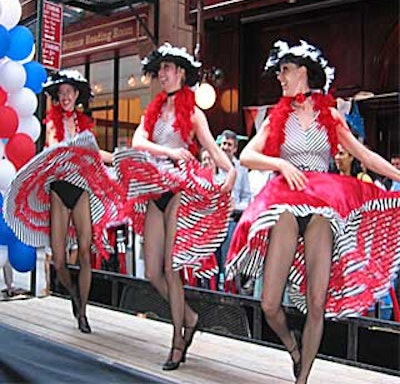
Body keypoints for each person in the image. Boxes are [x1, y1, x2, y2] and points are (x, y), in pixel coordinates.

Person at [225, 40, 400, 384]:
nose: (280, 77)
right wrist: (279, 163)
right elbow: (247, 156)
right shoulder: (277, 116)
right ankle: (292, 345)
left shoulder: (331, 116)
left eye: (285, 71)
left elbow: (365, 157)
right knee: (270, 304)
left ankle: (302, 379)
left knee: (316, 304)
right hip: (286, 202)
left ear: (303, 71)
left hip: (324, 206)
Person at [113, 42, 235, 370]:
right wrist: (169, 152)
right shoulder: (152, 109)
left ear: (181, 73)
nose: (162, 74)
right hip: (155, 187)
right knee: (152, 271)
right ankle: (190, 317)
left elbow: (210, 145)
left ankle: (178, 341)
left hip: (180, 187)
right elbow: (138, 142)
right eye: (160, 69)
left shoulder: (193, 111)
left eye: (168, 69)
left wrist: (231, 169)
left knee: (170, 268)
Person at [3, 70, 121, 334]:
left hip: (80, 189)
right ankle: (73, 295)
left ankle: (83, 313)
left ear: (76, 95)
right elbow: (53, 152)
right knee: (58, 260)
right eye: (62, 93)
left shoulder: (85, 124)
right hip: (58, 190)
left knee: (85, 253)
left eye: (70, 92)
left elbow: (92, 153)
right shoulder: (52, 123)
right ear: (58, 97)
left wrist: (116, 158)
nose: (66, 97)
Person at [217, 129, 252, 293]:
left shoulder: (242, 169)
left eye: (229, 145)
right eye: (223, 143)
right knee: (211, 264)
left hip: (231, 219)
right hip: (212, 220)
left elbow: (247, 198)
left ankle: (229, 294)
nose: (225, 147)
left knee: (228, 261)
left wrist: (236, 206)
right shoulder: (213, 163)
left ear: (235, 148)